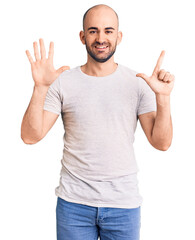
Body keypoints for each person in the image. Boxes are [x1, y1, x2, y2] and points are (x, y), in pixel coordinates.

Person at [21, 4, 175, 240]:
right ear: (82, 36)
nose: (101, 38)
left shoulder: (137, 83)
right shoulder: (63, 82)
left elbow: (161, 143)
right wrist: (40, 88)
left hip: (123, 205)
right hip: (74, 205)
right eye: (93, 31)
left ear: (119, 36)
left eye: (108, 30)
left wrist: (163, 98)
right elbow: (30, 136)